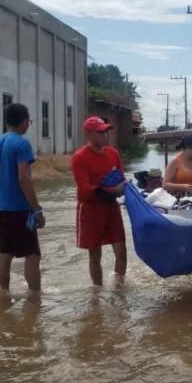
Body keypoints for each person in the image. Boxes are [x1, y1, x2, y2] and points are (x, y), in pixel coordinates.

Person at [0, 103, 45, 293]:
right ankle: (35, 298)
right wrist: (36, 209)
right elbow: (23, 178)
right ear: (22, 121)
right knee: (32, 255)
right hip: (20, 210)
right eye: (29, 121)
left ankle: (3, 293)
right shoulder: (21, 144)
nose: (29, 125)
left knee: (6, 253)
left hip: (1, 209)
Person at [71, 116, 128, 287]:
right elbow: (84, 188)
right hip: (91, 209)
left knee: (122, 252)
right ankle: (97, 293)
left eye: (106, 131)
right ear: (89, 134)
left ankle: (119, 290)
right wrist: (113, 190)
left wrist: (121, 187)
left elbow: (123, 177)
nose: (105, 135)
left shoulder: (113, 153)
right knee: (95, 256)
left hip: (111, 207)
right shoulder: (79, 157)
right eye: (101, 132)